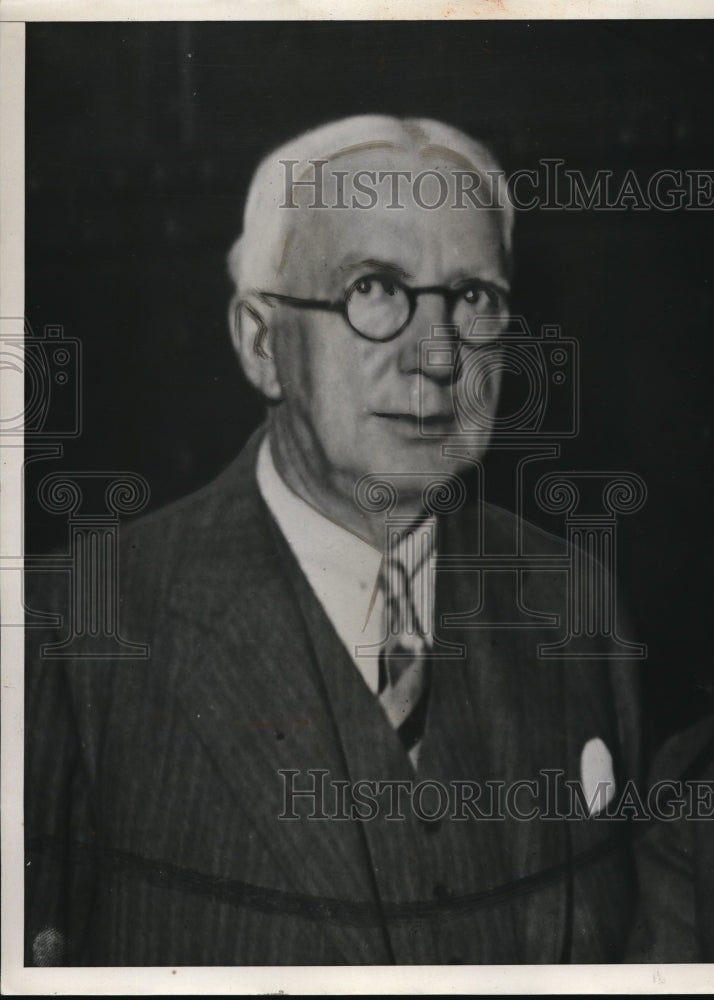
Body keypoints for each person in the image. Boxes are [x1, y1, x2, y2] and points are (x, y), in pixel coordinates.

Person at [25, 115, 644, 966]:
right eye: (374, 289)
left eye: (473, 298)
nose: (437, 356)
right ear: (260, 344)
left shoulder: (570, 596)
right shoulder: (72, 630)